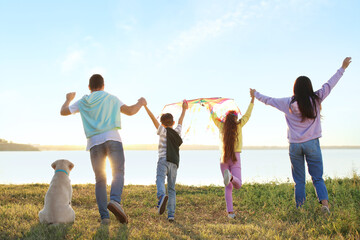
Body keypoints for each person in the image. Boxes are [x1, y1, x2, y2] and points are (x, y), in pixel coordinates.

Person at [251, 57, 352, 213]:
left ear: (295, 89)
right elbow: (330, 84)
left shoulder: (288, 103)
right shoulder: (317, 98)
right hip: (312, 144)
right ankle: (325, 205)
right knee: (317, 177)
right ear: (309, 87)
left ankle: (300, 209)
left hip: (295, 145)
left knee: (299, 181)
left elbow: (268, 100)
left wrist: (255, 94)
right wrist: (342, 68)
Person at [60, 74, 146, 225]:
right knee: (117, 171)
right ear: (103, 85)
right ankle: (115, 201)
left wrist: (68, 98)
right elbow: (131, 111)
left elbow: (64, 111)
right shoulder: (111, 98)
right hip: (113, 138)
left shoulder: (83, 101)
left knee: (100, 179)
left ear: (89, 87)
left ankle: (105, 217)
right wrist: (141, 103)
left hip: (94, 143)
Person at [209, 90, 255, 219]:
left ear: (226, 119)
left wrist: (210, 107)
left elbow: (214, 117)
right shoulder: (239, 125)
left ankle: (230, 212)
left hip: (223, 159)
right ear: (235, 118)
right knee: (238, 185)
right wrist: (252, 100)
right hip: (235, 158)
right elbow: (248, 115)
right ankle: (230, 178)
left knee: (228, 187)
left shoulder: (221, 126)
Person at [144, 100, 188, 222]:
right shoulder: (177, 131)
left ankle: (161, 196)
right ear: (172, 123)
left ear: (162, 124)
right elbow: (181, 121)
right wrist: (184, 109)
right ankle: (171, 215)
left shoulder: (162, 131)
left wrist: (146, 107)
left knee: (159, 179)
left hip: (163, 160)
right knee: (172, 188)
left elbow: (153, 119)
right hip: (174, 163)